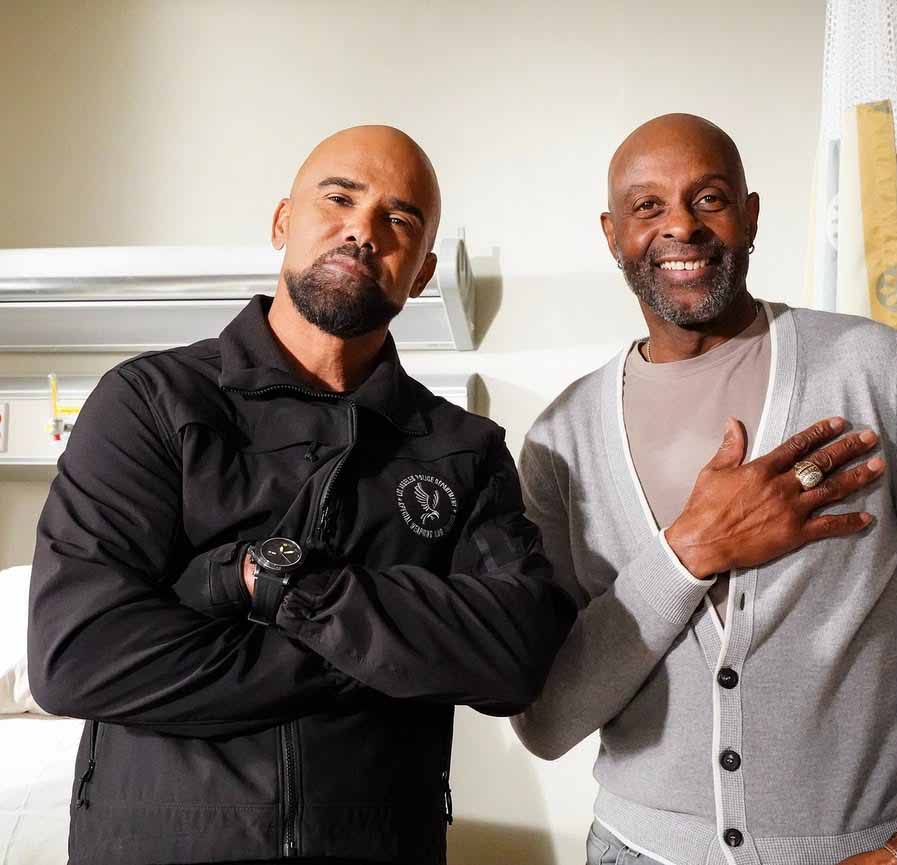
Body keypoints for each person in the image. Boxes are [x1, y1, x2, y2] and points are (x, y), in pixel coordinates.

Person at [511, 114, 897, 865]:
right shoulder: (561, 439)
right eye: (648, 206)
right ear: (613, 234)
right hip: (635, 851)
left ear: (750, 215)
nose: (681, 225)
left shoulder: (872, 370)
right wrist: (688, 552)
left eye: (709, 198)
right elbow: (546, 722)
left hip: (864, 848)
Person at [28, 125, 576, 865]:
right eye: (339, 199)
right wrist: (389, 658)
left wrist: (270, 583)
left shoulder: (462, 450)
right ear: (283, 221)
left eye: (399, 218)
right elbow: (78, 656)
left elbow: (517, 655)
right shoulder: (151, 402)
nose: (363, 230)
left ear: (421, 272)